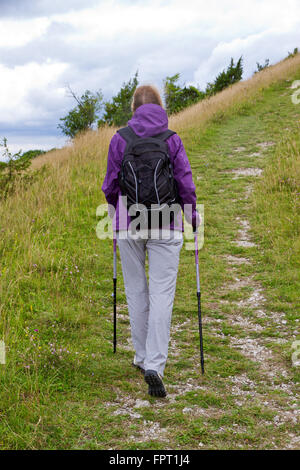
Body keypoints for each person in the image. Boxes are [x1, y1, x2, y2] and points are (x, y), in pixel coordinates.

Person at [102, 85, 199, 397]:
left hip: (128, 223)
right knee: (162, 293)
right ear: (160, 106)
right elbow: (184, 183)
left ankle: (142, 357)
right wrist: (193, 220)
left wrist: (113, 219)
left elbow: (110, 185)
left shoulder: (120, 139)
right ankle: (156, 363)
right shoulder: (172, 139)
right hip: (166, 223)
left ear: (133, 108)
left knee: (136, 290)